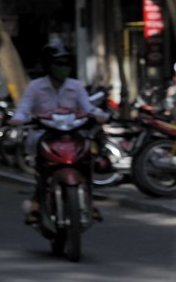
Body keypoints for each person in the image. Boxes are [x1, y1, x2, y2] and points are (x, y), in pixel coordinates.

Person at [11, 43, 105, 225]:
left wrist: (99, 115)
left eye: (66, 64)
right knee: (43, 169)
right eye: (59, 63)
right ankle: (37, 205)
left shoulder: (76, 86)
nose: (63, 68)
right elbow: (23, 108)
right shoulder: (35, 86)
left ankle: (89, 201)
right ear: (48, 65)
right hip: (44, 135)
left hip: (73, 135)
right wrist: (18, 119)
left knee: (87, 161)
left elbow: (88, 108)